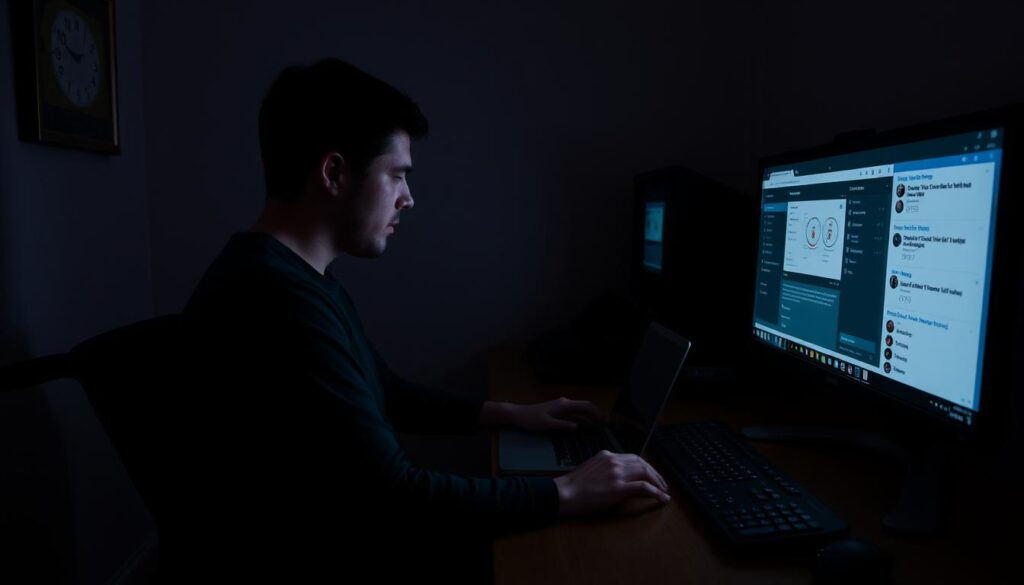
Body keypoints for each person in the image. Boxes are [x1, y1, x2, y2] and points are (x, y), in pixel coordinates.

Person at [180, 59, 670, 581]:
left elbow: (385, 392)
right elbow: (395, 495)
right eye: (397, 174)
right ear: (334, 174)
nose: (408, 198)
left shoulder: (295, 279)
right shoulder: (274, 298)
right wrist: (566, 491)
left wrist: (509, 413)